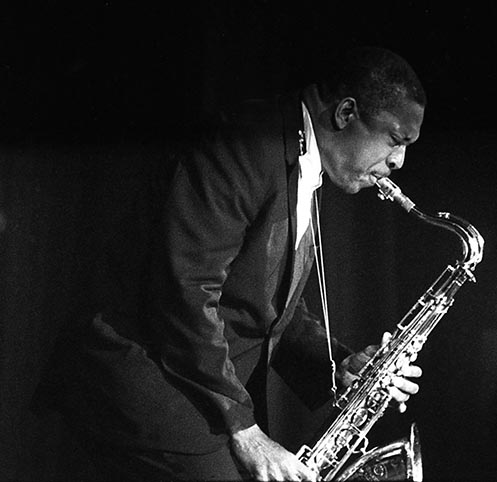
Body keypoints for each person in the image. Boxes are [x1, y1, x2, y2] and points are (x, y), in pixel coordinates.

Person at [43, 45, 427, 481]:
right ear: (345, 113)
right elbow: (185, 288)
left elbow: (265, 309)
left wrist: (337, 368)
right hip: (138, 375)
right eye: (396, 140)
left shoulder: (298, 157)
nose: (398, 162)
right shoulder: (248, 142)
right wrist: (245, 429)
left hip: (186, 385)